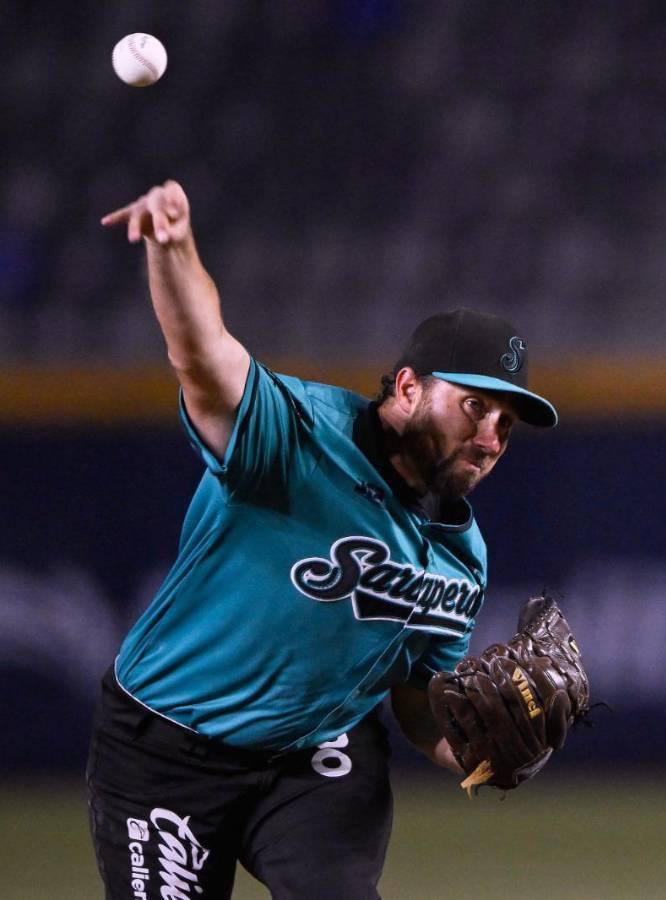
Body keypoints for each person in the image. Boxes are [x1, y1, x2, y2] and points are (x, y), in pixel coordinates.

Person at [87, 179, 558, 899]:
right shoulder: (297, 439)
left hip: (316, 758)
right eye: (475, 406)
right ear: (406, 389)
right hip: (163, 747)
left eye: (507, 423)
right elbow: (205, 360)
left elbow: (414, 699)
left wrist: (480, 751)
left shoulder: (462, 556)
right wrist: (174, 247)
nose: (491, 436)